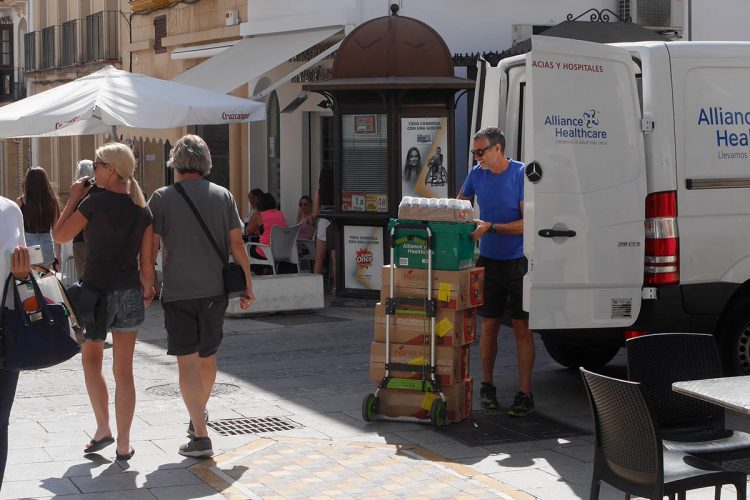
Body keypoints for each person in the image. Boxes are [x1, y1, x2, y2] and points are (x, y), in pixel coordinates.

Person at [146, 134, 254, 458]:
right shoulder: (224, 196)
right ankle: (197, 419)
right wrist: (248, 283)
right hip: (214, 292)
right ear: (207, 162)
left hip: (178, 292)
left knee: (187, 363)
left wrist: (148, 283)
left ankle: (200, 434)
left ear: (175, 162)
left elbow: (150, 247)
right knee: (207, 358)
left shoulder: (161, 198)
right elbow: (237, 245)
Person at [54, 142, 154, 460]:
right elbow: (147, 265)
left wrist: (73, 197)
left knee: (91, 362)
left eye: (97, 164)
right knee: (124, 372)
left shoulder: (93, 203)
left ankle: (103, 429)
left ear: (111, 169)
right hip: (129, 295)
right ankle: (124, 444)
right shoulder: (143, 209)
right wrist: (148, 290)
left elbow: (59, 235)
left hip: (95, 293)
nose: (93, 170)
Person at [458, 127, 534, 417]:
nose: (476, 158)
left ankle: (525, 393)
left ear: (498, 149)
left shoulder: (520, 174)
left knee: (521, 328)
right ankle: (487, 385)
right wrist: (459, 218)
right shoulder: (477, 175)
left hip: (518, 262)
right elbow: (460, 206)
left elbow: (528, 223)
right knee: (488, 326)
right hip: (488, 260)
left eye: (480, 152)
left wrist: (491, 226)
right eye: (474, 152)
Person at [0, 197, 31, 489]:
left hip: (4, 328)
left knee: (0, 420)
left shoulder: (10, 210)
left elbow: (22, 278)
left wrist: (23, 273)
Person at [16, 167, 61, 271]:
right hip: (46, 242)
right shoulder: (51, 201)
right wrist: (58, 255)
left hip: (28, 243)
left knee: (31, 281)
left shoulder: (21, 201)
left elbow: (14, 226)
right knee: (43, 279)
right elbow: (55, 229)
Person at [71, 159, 102, 279]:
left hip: (79, 239)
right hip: (98, 240)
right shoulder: (100, 189)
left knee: (83, 279)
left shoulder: (76, 190)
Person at [249, 193, 287, 275]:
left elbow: (249, 231)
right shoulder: (280, 214)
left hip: (266, 251)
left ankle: (262, 270)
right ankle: (267, 268)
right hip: (281, 251)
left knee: (250, 248)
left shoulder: (259, 215)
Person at [312, 167, 335, 292]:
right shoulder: (338, 189)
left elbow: (315, 213)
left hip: (324, 221)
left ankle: (316, 288)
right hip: (336, 221)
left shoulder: (319, 191)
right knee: (335, 258)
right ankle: (335, 287)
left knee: (319, 257)